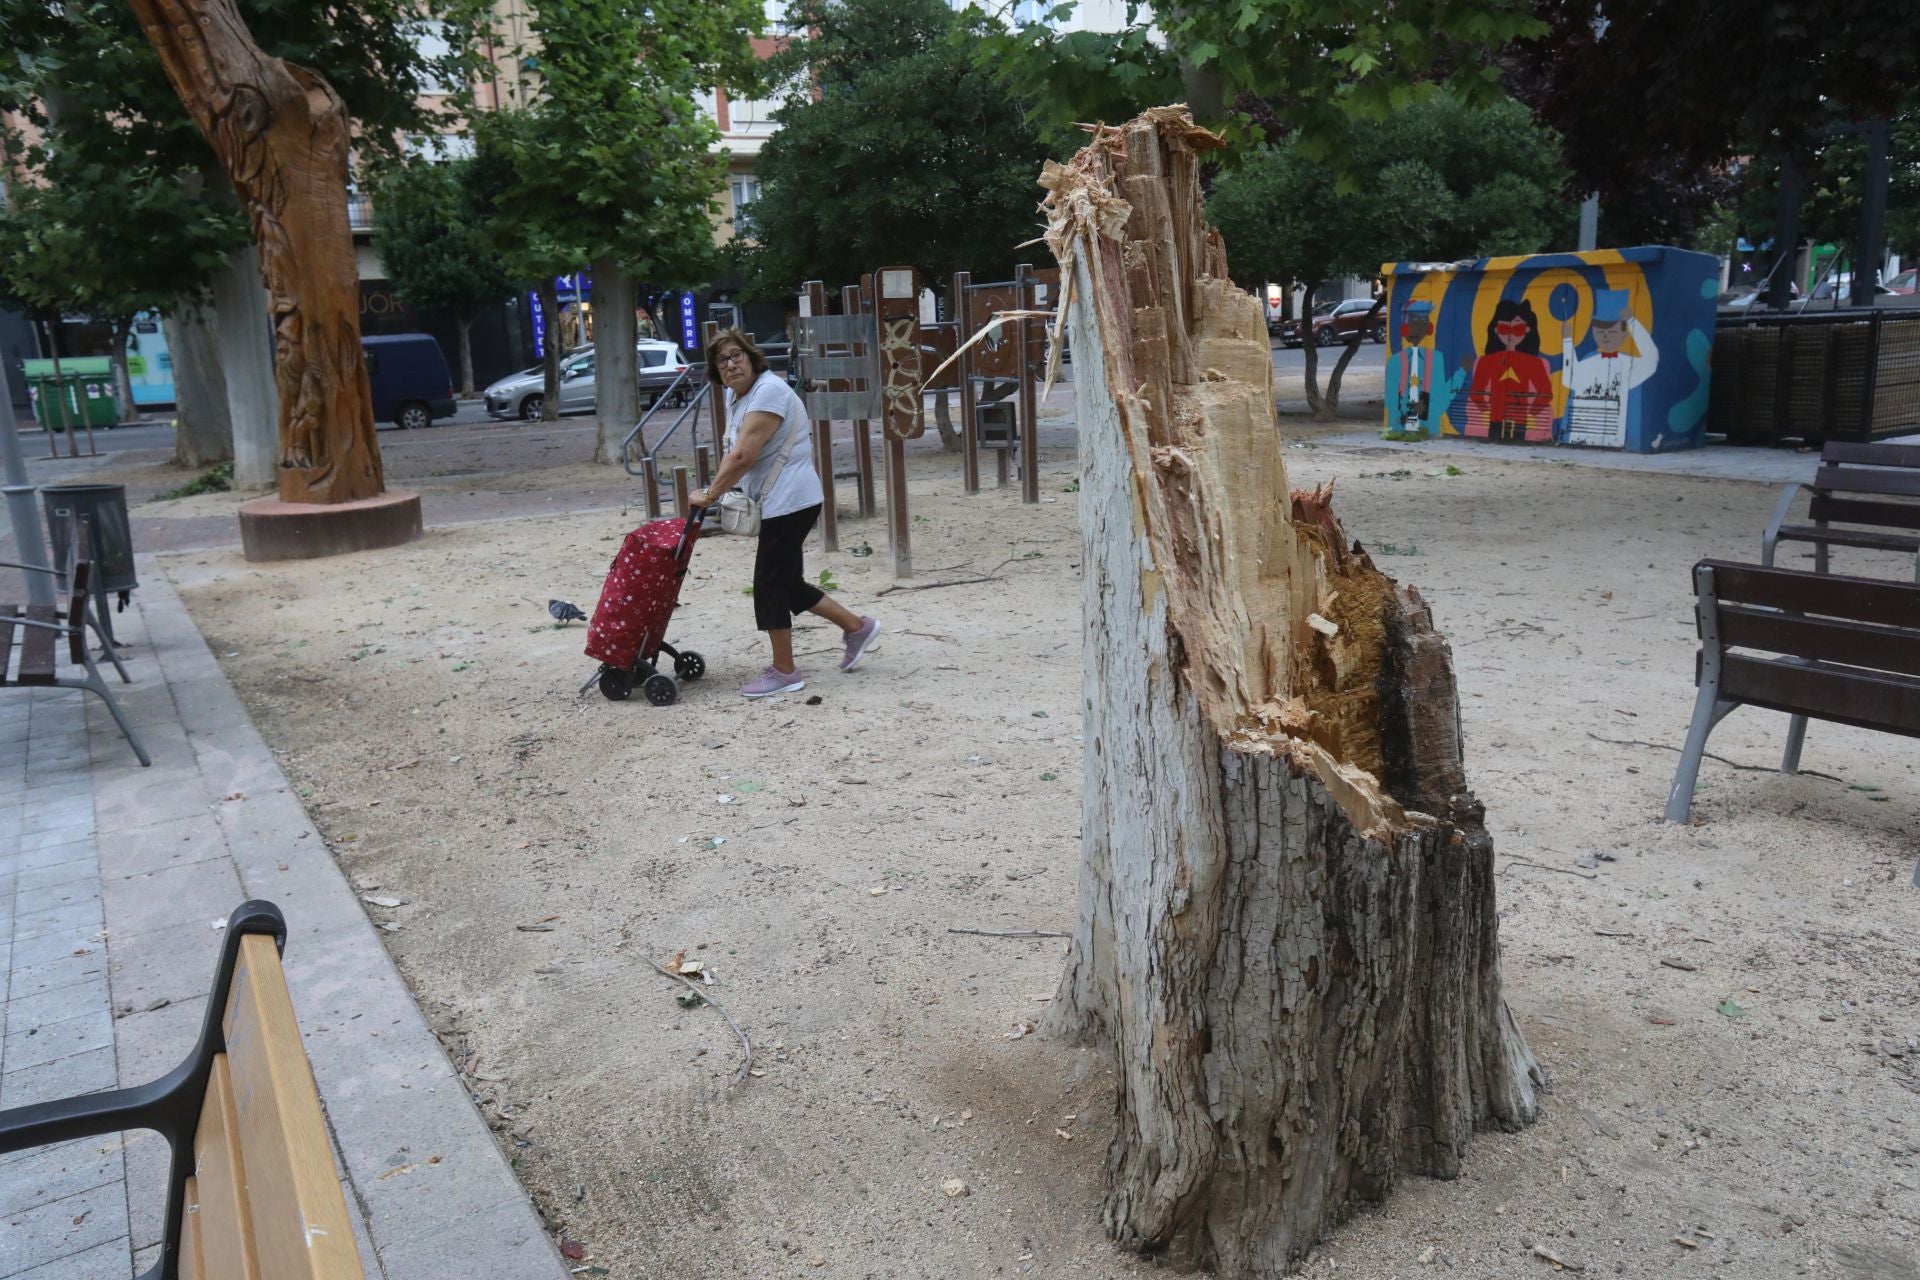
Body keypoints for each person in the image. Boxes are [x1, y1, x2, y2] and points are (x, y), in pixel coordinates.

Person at [688, 329, 879, 698]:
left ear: (752, 357)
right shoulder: (736, 395)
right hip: (783, 500)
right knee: (789, 584)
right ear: (716, 371)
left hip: (790, 500)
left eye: (736, 356)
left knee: (769, 585)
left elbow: (744, 455)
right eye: (722, 361)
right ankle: (857, 627)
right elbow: (737, 451)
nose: (731, 365)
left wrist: (710, 494)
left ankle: (785, 671)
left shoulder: (769, 392)